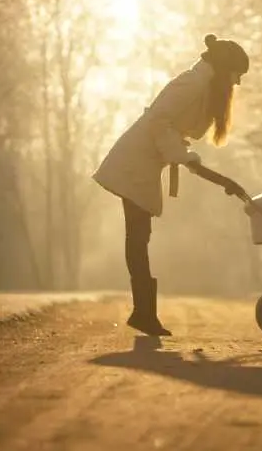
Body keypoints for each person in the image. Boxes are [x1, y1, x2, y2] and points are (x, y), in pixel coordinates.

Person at [93, 34, 249, 336]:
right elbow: (158, 121)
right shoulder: (191, 83)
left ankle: (143, 313)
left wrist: (182, 153)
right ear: (224, 68)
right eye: (237, 74)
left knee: (139, 236)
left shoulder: (201, 85)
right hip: (134, 163)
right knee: (138, 237)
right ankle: (143, 313)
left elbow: (168, 126)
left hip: (145, 163)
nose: (238, 82)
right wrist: (181, 155)